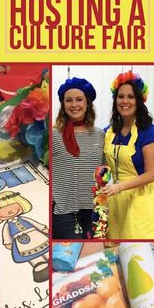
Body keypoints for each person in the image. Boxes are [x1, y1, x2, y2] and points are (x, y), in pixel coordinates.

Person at [102, 71, 154, 239]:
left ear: (139, 101)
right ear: (115, 99)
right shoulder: (109, 132)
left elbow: (152, 174)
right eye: (120, 96)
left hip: (140, 198)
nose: (125, 101)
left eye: (131, 97)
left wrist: (120, 187)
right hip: (116, 199)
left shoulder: (148, 131)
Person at [52, 77, 104, 239]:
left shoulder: (100, 134)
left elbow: (103, 171)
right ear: (63, 104)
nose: (74, 104)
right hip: (64, 212)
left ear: (87, 103)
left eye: (79, 99)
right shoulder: (54, 135)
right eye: (69, 100)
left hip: (92, 211)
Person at [0, 191, 49, 283]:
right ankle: (40, 266)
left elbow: (35, 224)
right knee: (32, 256)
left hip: (37, 236)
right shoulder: (6, 226)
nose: (9, 211)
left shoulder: (24, 218)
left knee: (48, 250)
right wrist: (8, 243)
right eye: (1, 209)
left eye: (12, 205)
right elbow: (6, 236)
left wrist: (42, 228)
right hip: (22, 244)